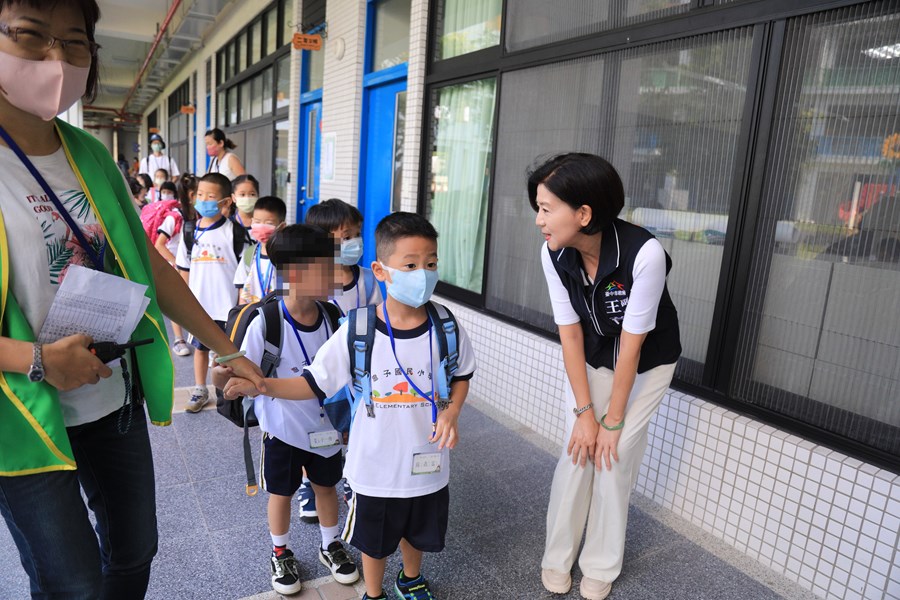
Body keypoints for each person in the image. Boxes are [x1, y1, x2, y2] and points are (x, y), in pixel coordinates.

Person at [0, 2, 264, 598]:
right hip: (20, 412)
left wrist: (225, 347)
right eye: (31, 36)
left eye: (74, 42)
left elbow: (146, 266)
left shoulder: (88, 154)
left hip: (108, 391)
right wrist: (38, 361)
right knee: (71, 582)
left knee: (134, 551)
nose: (56, 58)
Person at [224, 212, 477, 600]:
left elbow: (461, 374)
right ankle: (372, 592)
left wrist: (452, 411)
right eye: (410, 265)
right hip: (372, 465)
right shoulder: (357, 329)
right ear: (380, 270)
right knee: (373, 541)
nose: (423, 274)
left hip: (429, 461)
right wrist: (260, 384)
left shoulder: (446, 325)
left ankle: (411, 579)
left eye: (430, 264)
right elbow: (312, 382)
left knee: (418, 529)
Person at [530, 153, 681, 600]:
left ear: (583, 213)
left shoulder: (645, 254)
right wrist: (584, 414)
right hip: (594, 356)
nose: (539, 220)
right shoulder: (553, 253)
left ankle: (600, 565)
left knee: (613, 459)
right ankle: (557, 558)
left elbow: (632, 347)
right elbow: (571, 336)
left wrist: (611, 421)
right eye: (537, 207)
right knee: (578, 451)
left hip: (648, 364)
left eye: (545, 208)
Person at [235, 224, 360, 595]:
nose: (336, 275)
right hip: (283, 430)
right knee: (281, 493)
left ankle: (330, 544)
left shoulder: (333, 317)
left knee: (326, 487)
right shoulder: (266, 322)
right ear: (293, 273)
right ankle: (280, 551)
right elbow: (240, 369)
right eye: (326, 267)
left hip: (326, 428)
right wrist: (226, 372)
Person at [176, 172, 245, 412]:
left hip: (228, 307)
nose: (203, 199)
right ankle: (199, 388)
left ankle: (229, 390)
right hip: (200, 306)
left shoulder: (234, 232)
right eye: (200, 194)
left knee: (227, 352)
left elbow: (244, 272)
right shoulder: (189, 231)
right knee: (200, 350)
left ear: (225, 202)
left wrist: (242, 304)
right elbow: (183, 269)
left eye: (211, 196)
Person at [306, 198, 382, 316]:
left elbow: (377, 317)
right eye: (346, 237)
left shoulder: (368, 279)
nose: (356, 242)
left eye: (358, 234)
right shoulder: (307, 282)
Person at [154, 174, 197, 357]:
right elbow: (159, 244)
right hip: (177, 266)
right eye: (200, 193)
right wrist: (176, 262)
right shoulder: (175, 217)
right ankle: (178, 339)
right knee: (178, 302)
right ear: (191, 194)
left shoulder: (200, 214)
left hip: (194, 265)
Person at [235, 195, 285, 305]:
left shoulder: (286, 256)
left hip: (279, 315)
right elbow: (242, 290)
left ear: (282, 226)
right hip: (253, 315)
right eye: (257, 222)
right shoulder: (249, 254)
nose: (262, 227)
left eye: (269, 223)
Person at [231, 173, 259, 239]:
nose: (247, 198)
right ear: (233, 198)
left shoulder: (264, 224)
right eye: (242, 194)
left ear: (258, 196)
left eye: (252, 194)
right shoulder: (228, 224)